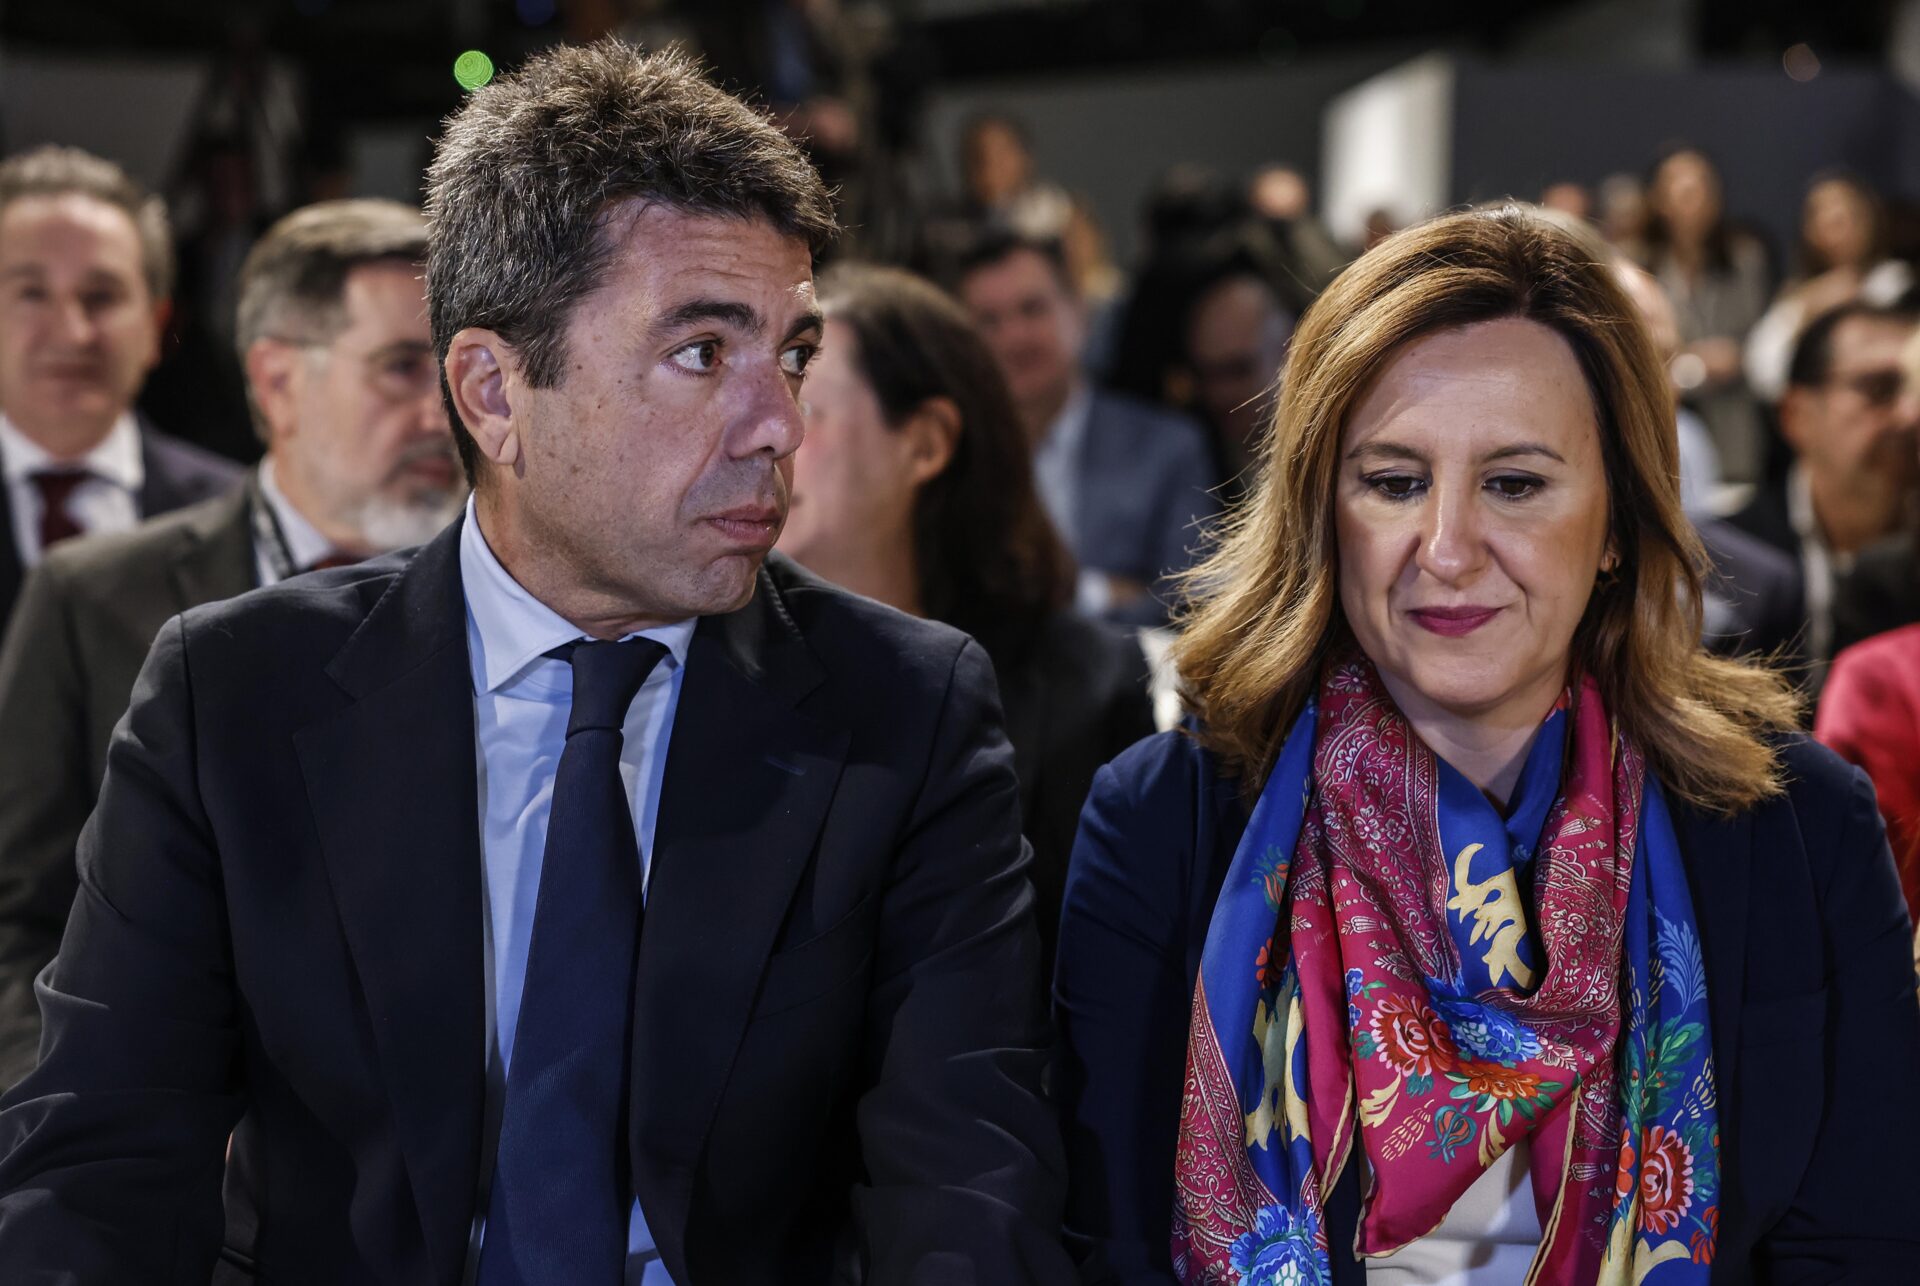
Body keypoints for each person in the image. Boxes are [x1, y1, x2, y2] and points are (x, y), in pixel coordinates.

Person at [0, 41, 1073, 1285]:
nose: (781, 423)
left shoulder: (907, 707)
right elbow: (99, 1167)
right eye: (702, 352)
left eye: (791, 354)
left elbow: (967, 1181)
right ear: (493, 393)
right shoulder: (232, 694)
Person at [1054, 206, 1920, 1282]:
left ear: (1616, 522)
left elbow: (1865, 1246)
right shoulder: (1161, 821)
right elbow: (1112, 1250)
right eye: (1394, 483)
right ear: (1322, 511)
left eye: (1515, 483)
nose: (1449, 549)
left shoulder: (1802, 822)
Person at [0, 198, 461, 1092]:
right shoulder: (94, 596)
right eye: (403, 367)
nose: (444, 412)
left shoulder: (527, 595)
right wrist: (86, 1117)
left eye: (461, 367)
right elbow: (18, 916)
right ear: (278, 381)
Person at [779, 262, 1153, 969]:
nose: (771, 433)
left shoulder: (1088, 689)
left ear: (926, 442)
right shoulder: (710, 661)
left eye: (808, 406)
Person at [0, 145, 242, 631]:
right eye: (32, 293)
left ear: (158, 325)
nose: (72, 333)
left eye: (102, 296)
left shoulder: (239, 518)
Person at [956, 230, 1218, 626]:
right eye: (988, 321)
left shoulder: (1168, 447)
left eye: (1032, 309)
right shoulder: (950, 455)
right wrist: (1111, 590)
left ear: (1079, 312)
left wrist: (1077, 593)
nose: (1013, 337)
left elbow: (1191, 602)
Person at [1727, 299, 1919, 677]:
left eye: (1917, 391)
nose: (1909, 415)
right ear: (1795, 415)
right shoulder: (1728, 560)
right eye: (1880, 388)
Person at [1639, 146, 1772, 482]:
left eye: (1701, 186)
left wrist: (1692, 359)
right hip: (1668, 430)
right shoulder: (1642, 266)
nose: (1692, 197)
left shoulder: (1744, 258)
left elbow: (1756, 342)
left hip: (1734, 429)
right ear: (1658, 199)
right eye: (1680, 187)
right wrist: (1695, 360)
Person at [1744, 174, 1913, 403]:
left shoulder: (1898, 284)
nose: (1835, 223)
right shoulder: (1801, 295)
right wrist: (1807, 312)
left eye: (1846, 215)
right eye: (1823, 216)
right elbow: (1765, 374)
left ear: (1869, 219)